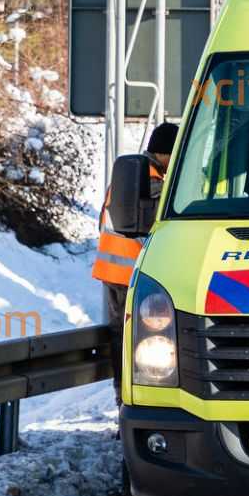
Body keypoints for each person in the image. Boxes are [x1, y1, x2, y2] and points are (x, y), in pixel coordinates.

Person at [93, 123, 176, 392]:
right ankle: (129, 395)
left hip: (113, 271)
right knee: (142, 341)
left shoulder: (129, 178)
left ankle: (123, 395)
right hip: (131, 274)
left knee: (122, 338)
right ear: (164, 153)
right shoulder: (153, 182)